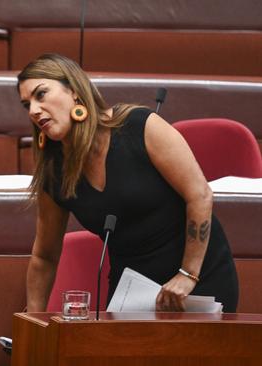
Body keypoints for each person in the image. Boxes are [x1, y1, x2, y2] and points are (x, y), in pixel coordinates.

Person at [18, 54, 239, 313]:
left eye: (41, 94)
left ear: (75, 91)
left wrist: (187, 274)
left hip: (199, 280)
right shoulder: (54, 172)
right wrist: (32, 323)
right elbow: (44, 257)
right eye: (26, 104)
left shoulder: (138, 126)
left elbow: (199, 194)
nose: (33, 110)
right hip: (133, 292)